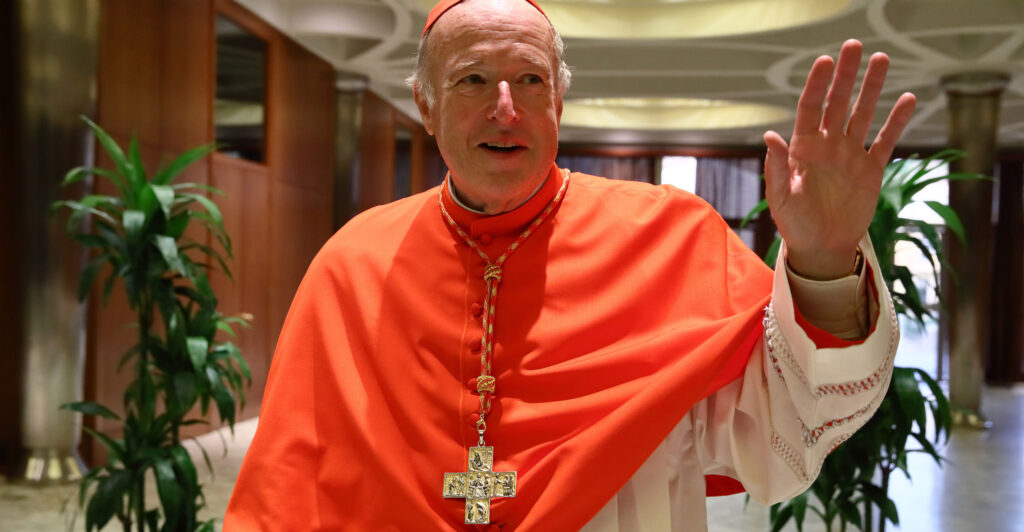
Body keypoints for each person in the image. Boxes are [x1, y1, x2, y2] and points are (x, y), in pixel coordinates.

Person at [223, 0, 916, 529]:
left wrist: (824, 262)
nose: (506, 108)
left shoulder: (669, 235)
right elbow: (290, 488)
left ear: (558, 100)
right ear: (426, 107)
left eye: (531, 79)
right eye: (472, 80)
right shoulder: (353, 266)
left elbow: (782, 425)